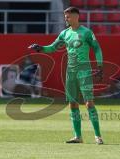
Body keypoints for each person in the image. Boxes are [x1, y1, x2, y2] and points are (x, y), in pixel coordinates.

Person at [28, 7, 104, 144]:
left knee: (89, 102)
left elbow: (97, 48)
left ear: (76, 17)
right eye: (65, 16)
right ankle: (78, 137)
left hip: (84, 70)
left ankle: (98, 136)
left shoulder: (86, 32)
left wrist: (99, 65)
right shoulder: (64, 33)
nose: (65, 19)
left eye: (68, 17)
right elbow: (52, 47)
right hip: (70, 71)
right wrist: (40, 48)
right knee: (72, 104)